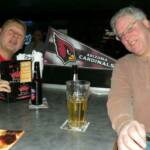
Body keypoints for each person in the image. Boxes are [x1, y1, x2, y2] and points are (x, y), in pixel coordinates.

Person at [107, 6, 150, 150]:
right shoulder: (123, 64)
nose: (126, 38)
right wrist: (124, 124)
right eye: (121, 35)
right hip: (141, 141)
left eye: (130, 29)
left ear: (146, 24)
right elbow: (119, 98)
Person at [0, 18, 27, 93]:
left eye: (20, 35)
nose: (15, 36)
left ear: (22, 45)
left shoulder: (19, 67)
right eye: (11, 32)